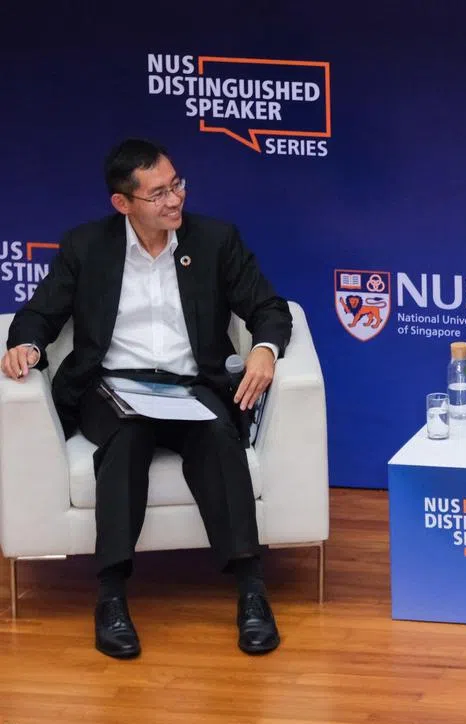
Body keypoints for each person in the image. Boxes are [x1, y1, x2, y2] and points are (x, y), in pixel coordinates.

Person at [1, 138, 292, 659]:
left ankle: (251, 590)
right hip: (112, 387)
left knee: (219, 438)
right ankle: (111, 597)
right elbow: (39, 314)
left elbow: (269, 307)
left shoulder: (214, 240)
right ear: (123, 202)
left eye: (176, 184)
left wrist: (265, 350)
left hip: (192, 386)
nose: (174, 199)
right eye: (158, 194)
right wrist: (26, 345)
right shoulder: (87, 246)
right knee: (127, 439)